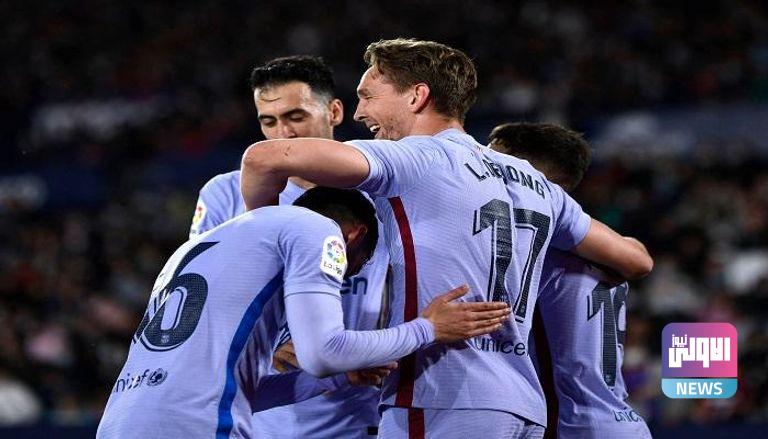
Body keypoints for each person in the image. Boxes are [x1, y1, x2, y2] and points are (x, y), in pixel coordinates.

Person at [239, 38, 653, 438]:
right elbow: (636, 261)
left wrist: (268, 254)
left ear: (416, 97)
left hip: (440, 393)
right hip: (523, 404)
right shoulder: (536, 182)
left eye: (368, 96)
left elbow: (262, 158)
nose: (360, 112)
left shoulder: (416, 158)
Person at [97, 187, 510, 439]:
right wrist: (428, 328)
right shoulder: (318, 230)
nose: (345, 276)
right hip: (199, 427)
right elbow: (323, 352)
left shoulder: (195, 248)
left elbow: (242, 390)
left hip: (122, 421)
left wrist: (339, 379)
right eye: (355, 266)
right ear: (355, 236)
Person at [190, 56, 390, 438]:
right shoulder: (225, 194)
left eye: (296, 117)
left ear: (334, 112)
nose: (283, 134)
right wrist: (268, 345)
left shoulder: (379, 191)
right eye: (268, 121)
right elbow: (203, 298)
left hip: (359, 411)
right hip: (263, 414)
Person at [489, 122, 653, 438]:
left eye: (495, 160)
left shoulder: (533, 245)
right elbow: (641, 258)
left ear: (528, 172)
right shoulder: (607, 247)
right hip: (621, 421)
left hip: (569, 425)